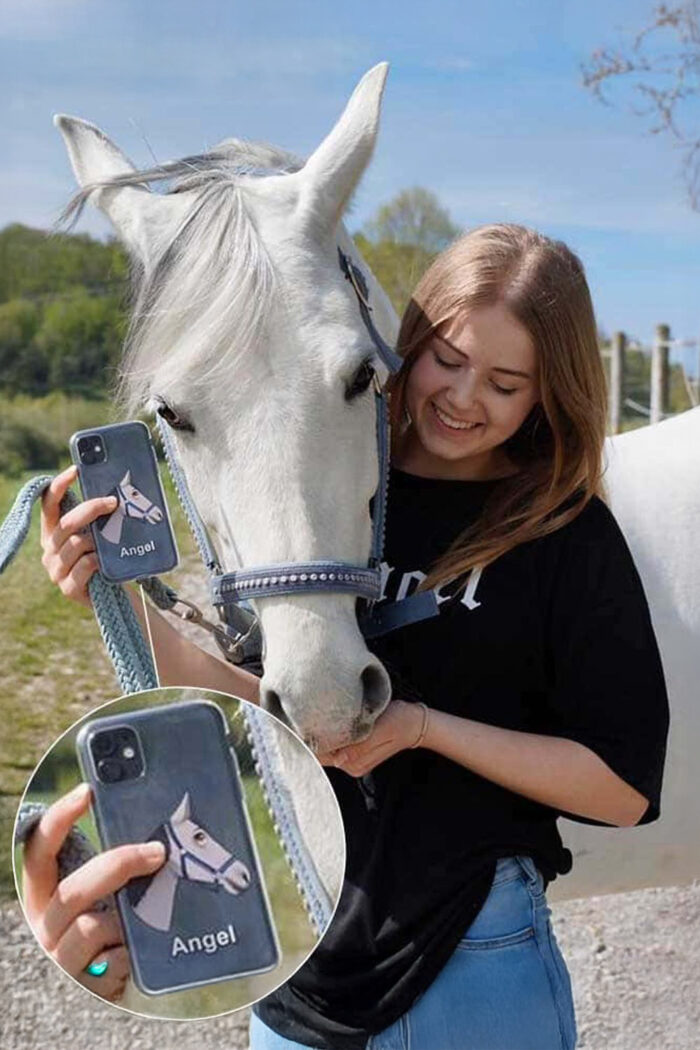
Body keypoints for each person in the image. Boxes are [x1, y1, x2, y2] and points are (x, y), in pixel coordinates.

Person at [31, 224, 669, 1048]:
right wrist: (111, 597)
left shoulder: (565, 536)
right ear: (405, 342)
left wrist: (426, 730)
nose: (464, 397)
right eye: (447, 358)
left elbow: (620, 787)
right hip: (304, 970)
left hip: (476, 960)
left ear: (548, 393)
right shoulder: (335, 484)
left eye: (506, 383)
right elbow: (259, 706)